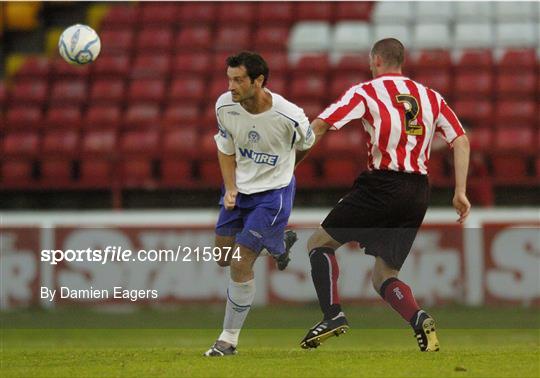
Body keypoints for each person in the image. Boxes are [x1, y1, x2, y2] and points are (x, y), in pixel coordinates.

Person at [298, 38, 471, 352]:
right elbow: (460, 140)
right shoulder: (431, 97)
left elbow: (322, 124)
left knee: (318, 243)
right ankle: (418, 317)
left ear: (376, 60)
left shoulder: (366, 91)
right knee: (384, 275)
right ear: (401, 61)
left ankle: (332, 315)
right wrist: (459, 191)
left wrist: (292, 163)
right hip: (418, 191)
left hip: (382, 184)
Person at [204, 51, 315, 357]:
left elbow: (307, 143)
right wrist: (229, 187)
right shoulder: (224, 105)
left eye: (238, 80)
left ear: (259, 81)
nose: (231, 86)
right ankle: (276, 243)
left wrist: (286, 169)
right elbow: (225, 148)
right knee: (222, 257)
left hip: (273, 194)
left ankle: (227, 341)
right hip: (239, 191)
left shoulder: (289, 115)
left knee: (240, 263)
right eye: (229, 79)